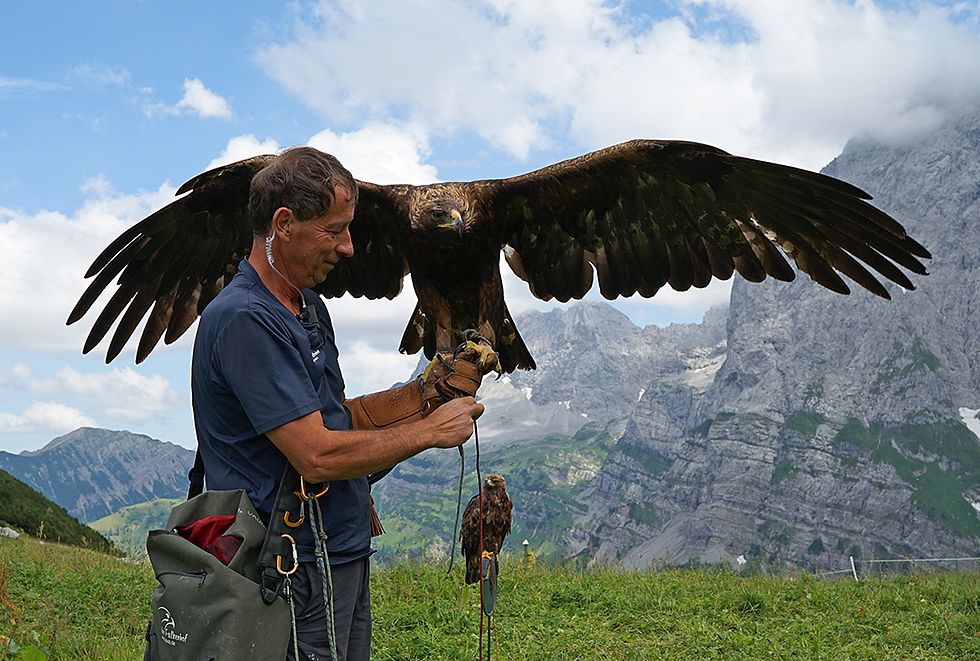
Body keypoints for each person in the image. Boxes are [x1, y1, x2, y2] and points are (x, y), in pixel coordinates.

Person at [190, 146, 489, 660]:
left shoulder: (307, 305)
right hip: (286, 568)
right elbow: (316, 454)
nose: (350, 247)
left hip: (338, 553)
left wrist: (424, 395)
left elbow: (338, 418)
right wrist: (430, 433)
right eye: (333, 231)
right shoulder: (246, 319)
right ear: (283, 224)